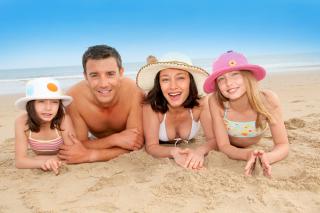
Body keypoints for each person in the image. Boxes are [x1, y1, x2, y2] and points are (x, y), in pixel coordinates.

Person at [203, 50, 289, 177]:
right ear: (217, 85)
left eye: (235, 74)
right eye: (221, 79)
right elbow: (224, 146)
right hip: (229, 142)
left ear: (248, 76)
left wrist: (267, 157)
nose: (229, 83)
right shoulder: (216, 102)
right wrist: (248, 154)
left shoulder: (268, 100)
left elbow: (282, 144)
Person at [58, 44, 144, 164]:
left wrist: (90, 155)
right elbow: (78, 145)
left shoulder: (135, 92)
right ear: (85, 76)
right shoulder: (74, 98)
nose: (103, 84)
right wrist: (115, 139)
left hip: (99, 143)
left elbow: (135, 143)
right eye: (94, 75)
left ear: (121, 72)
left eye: (110, 74)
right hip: (104, 141)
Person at [136, 53, 217, 170]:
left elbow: (214, 140)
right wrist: (174, 152)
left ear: (191, 81)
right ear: (159, 83)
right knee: (148, 94)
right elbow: (151, 146)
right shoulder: (151, 107)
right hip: (158, 99)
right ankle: (152, 63)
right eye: (165, 79)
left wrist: (199, 151)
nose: (173, 86)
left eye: (180, 78)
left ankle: (154, 64)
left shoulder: (201, 104)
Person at [14, 78, 75, 175]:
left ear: (59, 105)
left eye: (54, 102)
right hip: (51, 158)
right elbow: (19, 161)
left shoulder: (63, 120)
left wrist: (44, 159)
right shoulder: (21, 122)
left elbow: (72, 153)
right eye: (41, 101)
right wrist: (45, 162)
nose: (48, 108)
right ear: (31, 104)